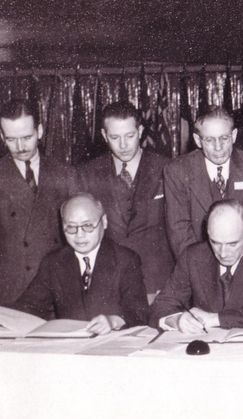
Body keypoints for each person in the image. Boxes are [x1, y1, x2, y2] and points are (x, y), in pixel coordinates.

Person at [13, 194, 149, 334]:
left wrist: (113, 321)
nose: (79, 235)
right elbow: (28, 307)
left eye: (88, 226)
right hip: (69, 347)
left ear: (104, 221)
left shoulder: (126, 259)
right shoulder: (54, 262)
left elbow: (139, 313)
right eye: (71, 227)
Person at [77, 101, 173, 299]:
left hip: (157, 283)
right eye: (114, 137)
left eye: (129, 136)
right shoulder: (87, 174)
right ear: (104, 135)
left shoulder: (168, 168)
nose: (123, 145)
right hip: (109, 284)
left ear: (140, 130)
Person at [151, 200, 243, 332]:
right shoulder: (192, 256)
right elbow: (160, 306)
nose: (223, 253)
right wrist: (177, 320)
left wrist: (216, 319)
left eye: (232, 244)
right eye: (215, 242)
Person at [164, 105, 243, 258]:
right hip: (199, 266)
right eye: (209, 140)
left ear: (233, 135)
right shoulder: (177, 171)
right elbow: (179, 231)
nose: (218, 147)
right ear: (197, 140)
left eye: (224, 138)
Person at [0, 99, 76, 306]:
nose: (20, 146)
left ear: (39, 131)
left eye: (27, 137)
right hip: (9, 295)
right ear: (1, 137)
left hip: (56, 292)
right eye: (11, 140)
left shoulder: (65, 174)